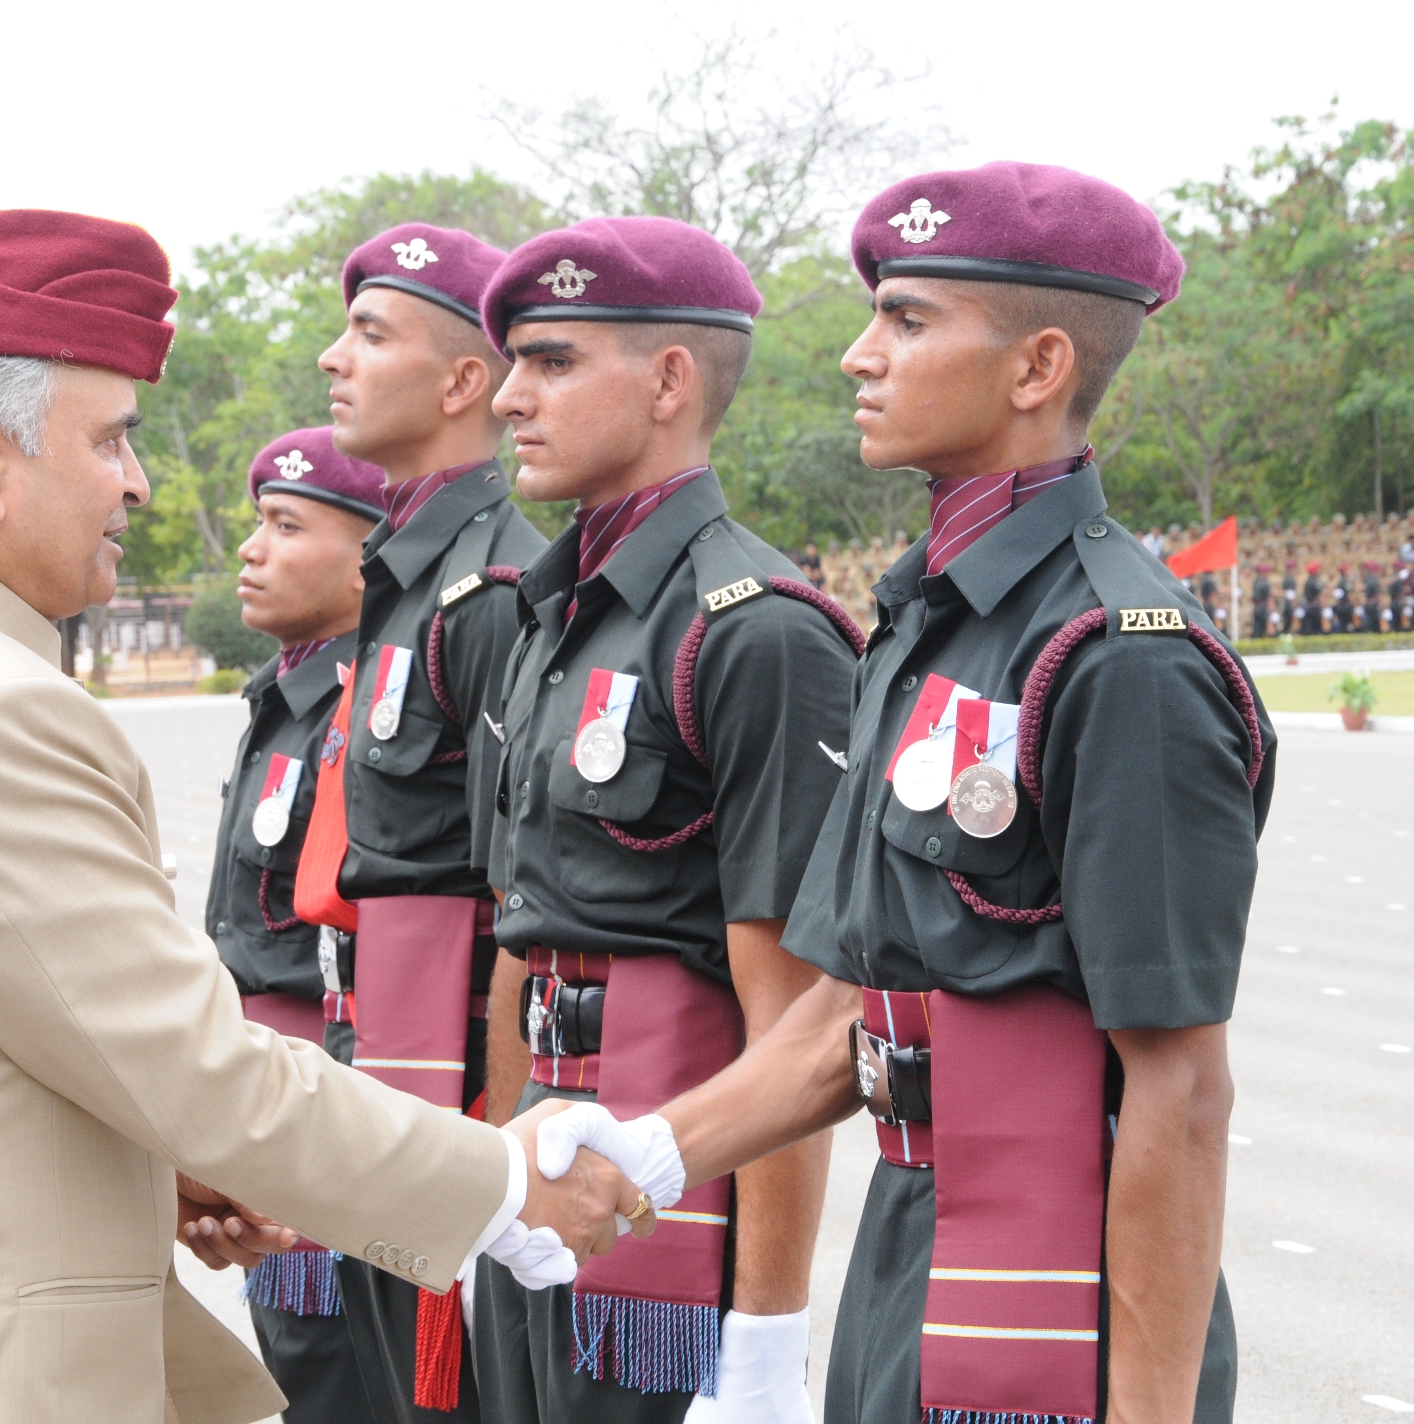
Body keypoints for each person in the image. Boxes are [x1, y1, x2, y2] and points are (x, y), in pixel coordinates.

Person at [0, 209, 636, 1424]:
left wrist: (147, 1170)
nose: (135, 479)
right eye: (111, 439)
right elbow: (190, 1065)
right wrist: (499, 1180)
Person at [529, 161, 1276, 1424]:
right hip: (910, 1233)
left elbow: (1178, 1086)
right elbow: (854, 1010)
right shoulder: (929, 624)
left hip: (1058, 1284)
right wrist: (651, 1151)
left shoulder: (1117, 656)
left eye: (908, 318)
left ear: (1037, 367)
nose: (856, 355)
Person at [472, 216, 863, 1423]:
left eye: (548, 360)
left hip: (670, 1210)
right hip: (539, 1161)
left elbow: (792, 1022)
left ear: (667, 380)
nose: (504, 397)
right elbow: (522, 943)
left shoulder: (754, 630)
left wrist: (763, 1342)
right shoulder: (550, 615)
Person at [314, 221, 551, 1421]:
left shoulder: (496, 588)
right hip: (380, 1064)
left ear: (465, 381)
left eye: (368, 333)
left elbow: (519, 895)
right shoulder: (406, 574)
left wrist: (490, 1148)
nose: (329, 360)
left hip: (450, 1087)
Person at [208, 425, 386, 1421]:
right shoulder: (286, 694)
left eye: (283, 524)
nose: (250, 547)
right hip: (264, 1102)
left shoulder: (371, 708)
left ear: (370, 559)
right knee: (303, 1375)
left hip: (330, 1096)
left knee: (344, 1381)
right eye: (256, 522)